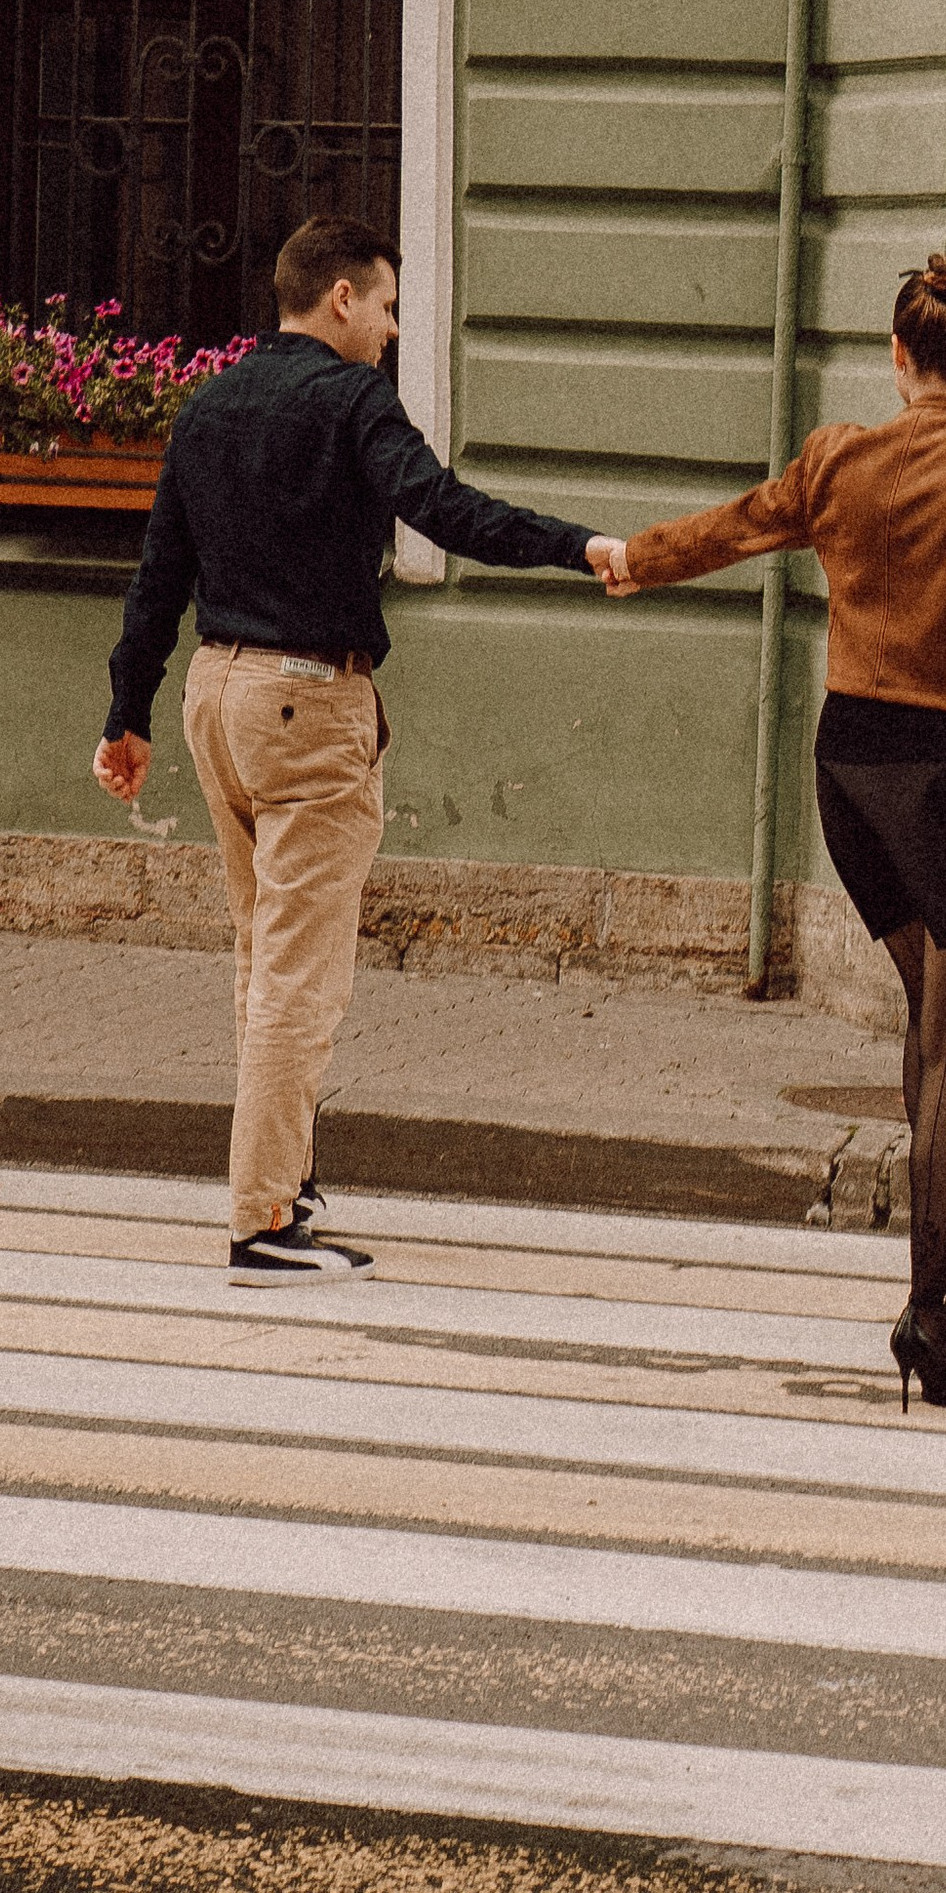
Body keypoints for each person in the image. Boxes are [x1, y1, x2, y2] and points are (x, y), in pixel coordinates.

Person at [589, 250, 946, 1411]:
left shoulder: (839, 459)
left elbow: (743, 526)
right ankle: (925, 1311)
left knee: (932, 1017)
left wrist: (634, 560)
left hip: (855, 769)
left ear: (897, 356)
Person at [94, 213, 609, 1282]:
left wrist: (125, 716)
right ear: (340, 298)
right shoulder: (353, 401)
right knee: (301, 975)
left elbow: (158, 576)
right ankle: (262, 1220)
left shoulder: (211, 403)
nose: (389, 328)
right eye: (384, 305)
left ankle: (284, 1176)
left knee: (261, 953)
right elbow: (443, 509)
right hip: (305, 705)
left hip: (216, 697)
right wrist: (580, 546)